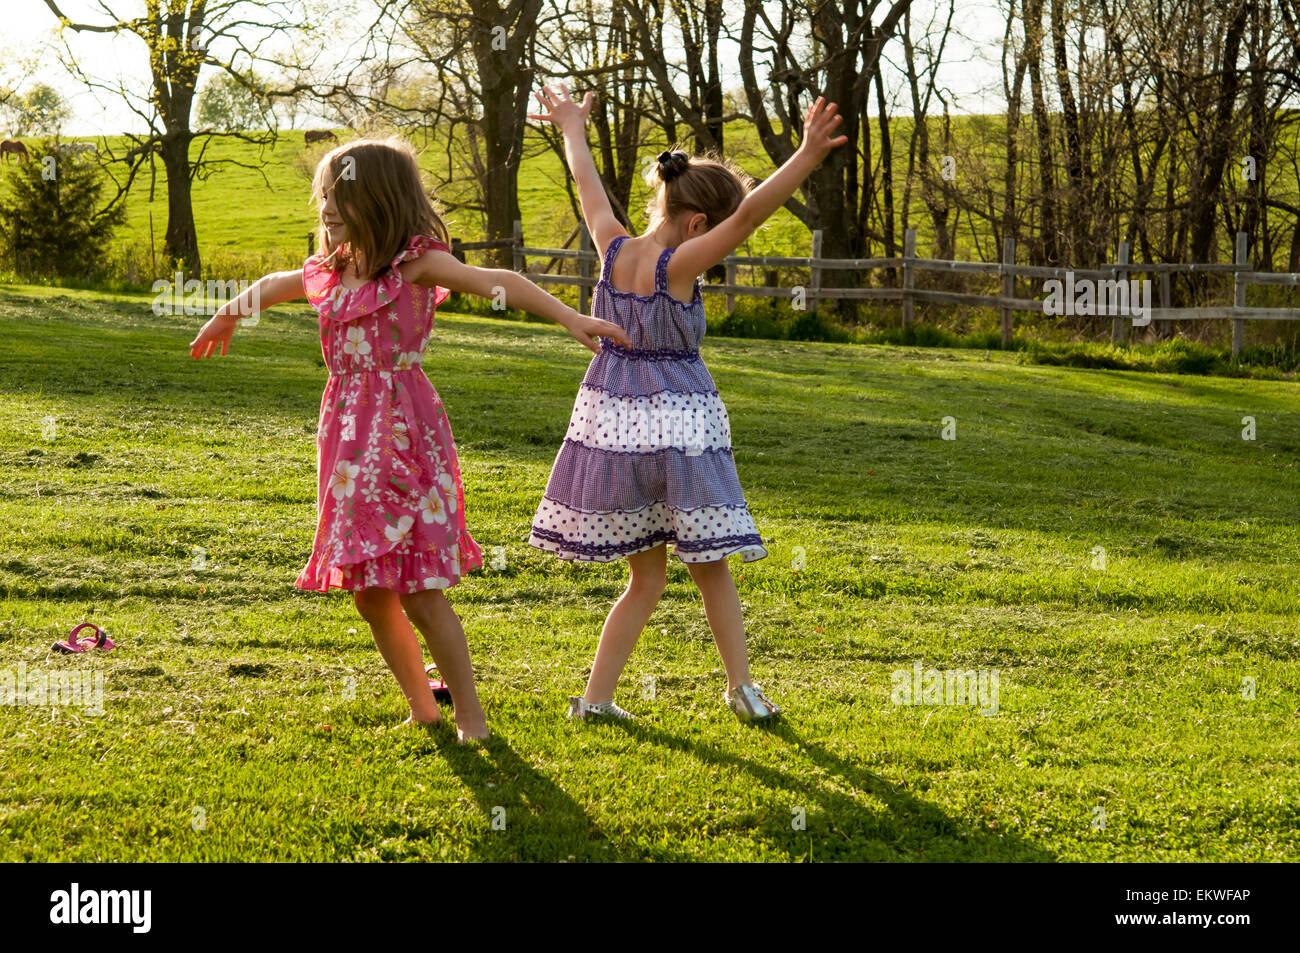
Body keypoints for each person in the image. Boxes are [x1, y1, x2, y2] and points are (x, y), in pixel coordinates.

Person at [189, 137, 630, 742]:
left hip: (403, 434)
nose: (327, 207)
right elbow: (273, 283)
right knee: (370, 592)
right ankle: (423, 707)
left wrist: (569, 316)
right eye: (324, 195)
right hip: (346, 443)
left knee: (420, 591)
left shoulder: (414, 266)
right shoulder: (332, 270)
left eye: (342, 195)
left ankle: (471, 719)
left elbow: (497, 279)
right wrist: (229, 312)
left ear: (381, 199)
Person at [526, 85, 847, 722]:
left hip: (613, 425)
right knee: (711, 567)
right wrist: (806, 157)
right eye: (717, 231)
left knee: (644, 581)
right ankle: (741, 688)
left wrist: (570, 126)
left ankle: (595, 700)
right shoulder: (680, 266)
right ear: (700, 223)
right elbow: (751, 217)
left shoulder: (612, 245)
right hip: (677, 426)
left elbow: (588, 183)